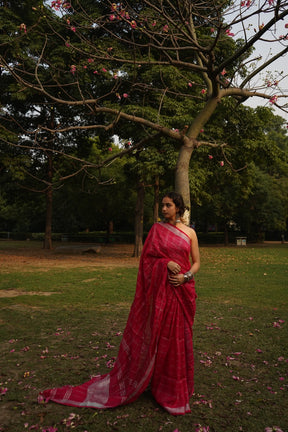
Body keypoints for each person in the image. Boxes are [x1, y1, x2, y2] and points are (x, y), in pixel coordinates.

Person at [39, 191, 200, 415]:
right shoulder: (156, 230)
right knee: (158, 337)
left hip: (181, 293)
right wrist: (165, 263)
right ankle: (153, 382)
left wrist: (185, 277)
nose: (163, 209)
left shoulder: (190, 233)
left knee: (175, 340)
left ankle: (171, 385)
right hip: (160, 295)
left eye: (168, 205)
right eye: (162, 205)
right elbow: (147, 261)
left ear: (178, 208)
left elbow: (196, 263)